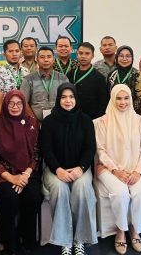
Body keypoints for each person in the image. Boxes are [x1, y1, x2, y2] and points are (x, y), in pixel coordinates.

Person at [39, 83, 98, 255]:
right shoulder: (49, 121)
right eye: (64, 97)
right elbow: (46, 150)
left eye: (71, 97)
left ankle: (80, 240)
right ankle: (65, 241)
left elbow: (90, 149)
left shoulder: (85, 120)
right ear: (58, 99)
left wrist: (81, 168)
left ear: (76, 99)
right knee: (60, 189)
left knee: (83, 188)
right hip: (55, 170)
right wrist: (58, 169)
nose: (68, 100)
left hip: (80, 169)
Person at [95, 85, 141, 254]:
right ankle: (121, 230)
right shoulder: (103, 121)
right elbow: (101, 150)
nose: (122, 102)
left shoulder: (139, 120)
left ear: (131, 99)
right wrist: (115, 170)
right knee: (121, 194)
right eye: (118, 98)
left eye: (126, 98)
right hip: (109, 169)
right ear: (112, 99)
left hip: (136, 167)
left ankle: (135, 229)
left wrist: (137, 171)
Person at [0, 90, 42, 255]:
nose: (15, 106)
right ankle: (7, 241)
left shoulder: (32, 123)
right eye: (11, 103)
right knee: (9, 198)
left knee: (32, 196)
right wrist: (11, 178)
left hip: (27, 172)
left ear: (24, 105)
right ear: (5, 104)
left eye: (18, 103)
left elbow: (37, 154)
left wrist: (25, 175)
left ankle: (27, 239)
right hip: (3, 174)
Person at [21, 47, 69, 120]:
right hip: (36, 123)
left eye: (49, 57)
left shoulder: (63, 78)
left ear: (53, 60)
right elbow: (23, 102)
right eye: (42, 57)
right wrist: (34, 121)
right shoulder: (28, 79)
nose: (46, 60)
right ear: (37, 60)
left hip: (59, 121)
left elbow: (68, 100)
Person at [70, 42, 110, 119]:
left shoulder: (99, 78)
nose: (83, 56)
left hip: (92, 119)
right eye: (81, 53)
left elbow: (103, 103)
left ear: (92, 55)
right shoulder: (70, 74)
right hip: (72, 116)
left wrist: (96, 120)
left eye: (87, 53)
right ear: (77, 55)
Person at [0, 39, 31, 117]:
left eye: (17, 51)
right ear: (4, 54)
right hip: (8, 116)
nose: (14, 54)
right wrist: (1, 121)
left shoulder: (26, 71)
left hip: (25, 115)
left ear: (21, 52)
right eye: (10, 51)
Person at [107, 46, 141, 115]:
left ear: (132, 58)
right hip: (114, 112)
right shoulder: (111, 74)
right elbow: (108, 95)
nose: (124, 59)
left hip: (132, 113)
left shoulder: (137, 74)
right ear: (116, 57)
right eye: (121, 56)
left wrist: (126, 109)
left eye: (128, 56)